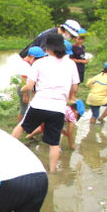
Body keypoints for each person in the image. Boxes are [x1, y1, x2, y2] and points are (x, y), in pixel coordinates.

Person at [12, 34, 80, 172]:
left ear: (47, 48)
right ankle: (53, 171)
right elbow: (75, 86)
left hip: (39, 105)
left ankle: (8, 153)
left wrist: (23, 89)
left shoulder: (40, 63)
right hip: (58, 108)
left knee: (22, 127)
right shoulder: (71, 64)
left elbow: (30, 86)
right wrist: (72, 96)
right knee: (54, 143)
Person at [15, 46, 48, 122]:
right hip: (24, 88)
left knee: (27, 106)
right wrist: (25, 95)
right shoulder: (24, 65)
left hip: (27, 87)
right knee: (24, 107)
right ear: (32, 57)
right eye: (39, 58)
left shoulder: (28, 63)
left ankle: (26, 122)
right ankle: (20, 124)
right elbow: (23, 81)